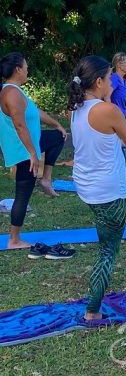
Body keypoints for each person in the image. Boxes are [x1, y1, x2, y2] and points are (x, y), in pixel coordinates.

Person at [69, 55, 126, 320]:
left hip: (87, 186)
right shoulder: (107, 111)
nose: (113, 82)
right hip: (106, 190)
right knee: (107, 251)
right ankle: (92, 313)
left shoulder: (77, 108)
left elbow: (112, 141)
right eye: (109, 78)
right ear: (98, 81)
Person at [0, 52, 74, 259]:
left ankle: (47, 179)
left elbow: (35, 112)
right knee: (22, 194)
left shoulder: (17, 91)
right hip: (23, 150)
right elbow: (19, 124)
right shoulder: (11, 93)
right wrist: (33, 153)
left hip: (30, 144)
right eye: (25, 66)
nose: (27, 70)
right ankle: (14, 239)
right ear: (17, 69)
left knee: (57, 137)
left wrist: (57, 124)